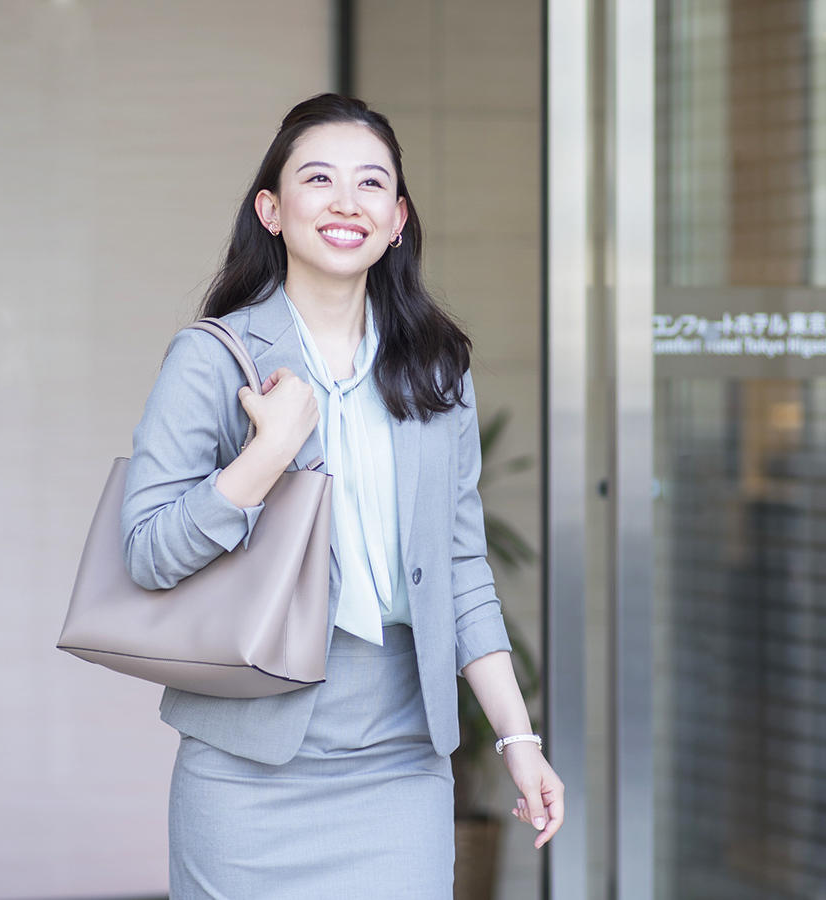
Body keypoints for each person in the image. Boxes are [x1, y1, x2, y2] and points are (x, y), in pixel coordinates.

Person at [120, 93, 563, 898]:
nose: (345, 202)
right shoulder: (212, 360)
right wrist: (268, 455)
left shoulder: (438, 370)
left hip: (399, 760)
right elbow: (149, 553)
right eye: (318, 178)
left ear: (397, 219)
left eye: (370, 184)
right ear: (272, 210)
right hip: (246, 770)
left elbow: (463, 569)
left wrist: (516, 738)